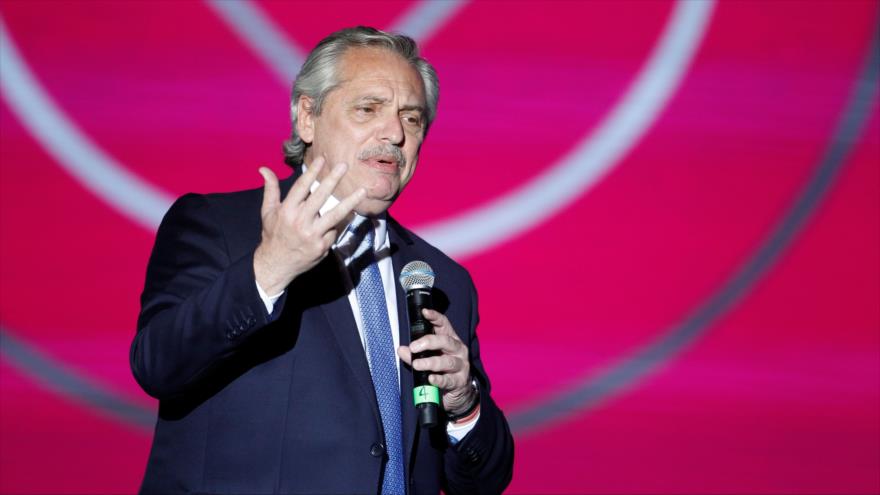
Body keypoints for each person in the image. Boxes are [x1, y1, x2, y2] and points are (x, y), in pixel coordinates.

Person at [130, 26, 514, 494]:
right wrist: (268, 270)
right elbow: (157, 365)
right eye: (368, 109)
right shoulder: (219, 227)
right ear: (307, 117)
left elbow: (483, 481)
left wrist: (463, 402)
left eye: (411, 119)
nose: (394, 133)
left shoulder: (442, 280)